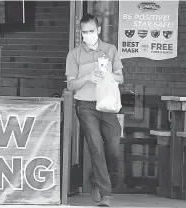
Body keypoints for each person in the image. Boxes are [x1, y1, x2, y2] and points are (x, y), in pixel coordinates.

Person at [65, 13, 124, 207]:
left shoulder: (110, 50)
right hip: (86, 105)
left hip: (107, 103)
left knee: (114, 145)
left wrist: (107, 75)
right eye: (84, 32)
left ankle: (97, 180)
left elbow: (120, 78)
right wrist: (88, 77)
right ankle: (105, 193)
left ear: (98, 30)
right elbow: (72, 85)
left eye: (91, 31)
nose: (87, 35)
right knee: (96, 146)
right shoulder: (74, 55)